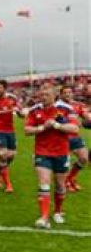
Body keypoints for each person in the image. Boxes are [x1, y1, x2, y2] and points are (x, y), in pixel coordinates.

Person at [24, 83, 79, 229]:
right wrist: (42, 127)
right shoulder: (34, 110)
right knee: (44, 182)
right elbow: (27, 130)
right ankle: (44, 217)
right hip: (42, 152)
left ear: (55, 96)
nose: (43, 97)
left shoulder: (66, 109)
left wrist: (56, 125)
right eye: (41, 94)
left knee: (60, 185)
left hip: (61, 152)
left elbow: (75, 128)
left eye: (47, 94)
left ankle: (58, 211)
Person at [60, 85, 89, 192]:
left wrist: (86, 118)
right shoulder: (58, 106)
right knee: (64, 163)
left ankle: (70, 178)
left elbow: (86, 116)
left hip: (76, 137)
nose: (68, 94)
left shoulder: (77, 105)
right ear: (61, 94)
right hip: (62, 138)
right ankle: (66, 182)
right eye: (65, 92)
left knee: (84, 158)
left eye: (69, 92)